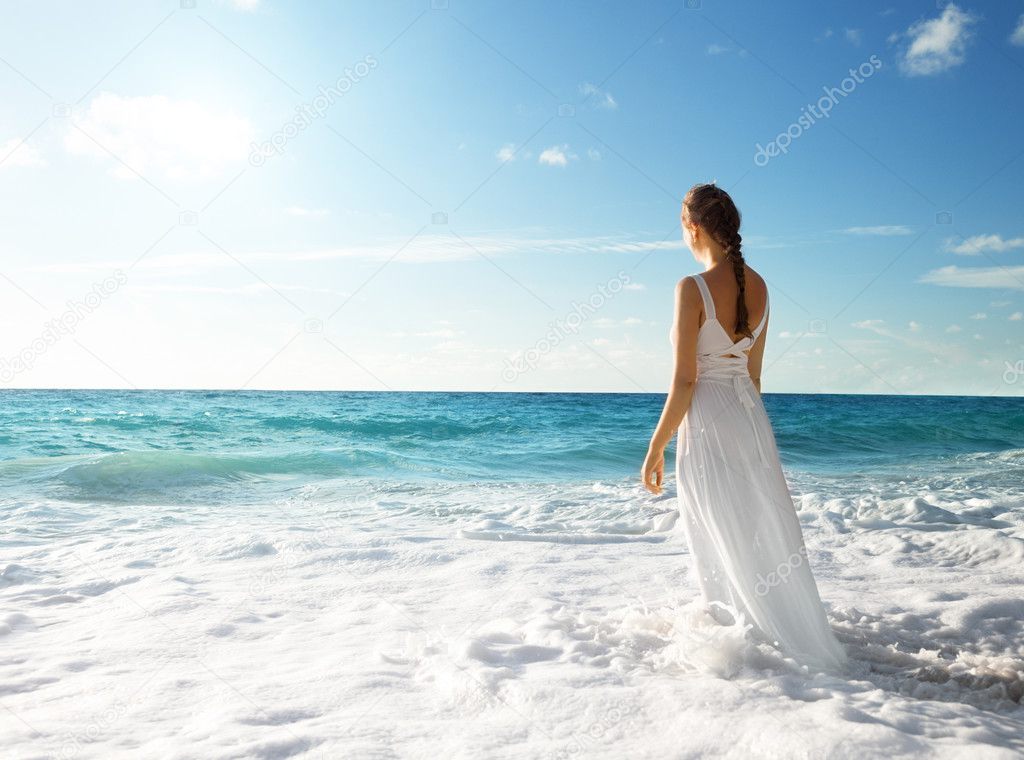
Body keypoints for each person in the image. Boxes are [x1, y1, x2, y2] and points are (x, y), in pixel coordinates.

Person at [641, 183, 847, 671]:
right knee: (753, 524)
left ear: (693, 227)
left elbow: (686, 379)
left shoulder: (690, 288)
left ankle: (734, 635)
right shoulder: (762, 287)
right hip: (750, 416)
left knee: (713, 526)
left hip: (709, 417)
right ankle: (770, 626)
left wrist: (656, 448)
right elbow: (754, 375)